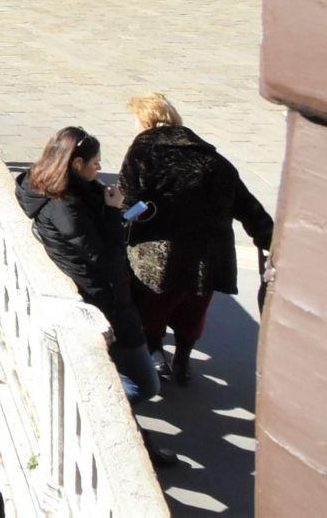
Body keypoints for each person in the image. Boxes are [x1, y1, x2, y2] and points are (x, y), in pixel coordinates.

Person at [17, 127, 175, 464]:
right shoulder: (66, 208)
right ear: (75, 164)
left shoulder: (54, 190)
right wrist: (115, 212)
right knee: (146, 386)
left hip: (102, 296)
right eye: (94, 164)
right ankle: (99, 412)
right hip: (106, 302)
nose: (99, 169)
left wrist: (106, 207)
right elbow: (105, 258)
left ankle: (128, 427)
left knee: (134, 375)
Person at [120, 93, 275, 386]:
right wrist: (271, 239)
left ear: (146, 121)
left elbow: (131, 202)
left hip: (159, 256)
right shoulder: (214, 160)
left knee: (153, 309)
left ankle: (155, 355)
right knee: (193, 309)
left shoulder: (142, 153)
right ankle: (182, 361)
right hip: (208, 256)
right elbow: (248, 207)